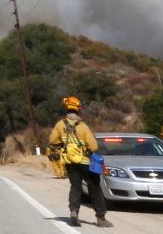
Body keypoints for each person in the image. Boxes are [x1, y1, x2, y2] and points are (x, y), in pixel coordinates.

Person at [47, 96, 111, 228]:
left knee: (75, 186)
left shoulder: (60, 125)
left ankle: (74, 211)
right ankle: (101, 218)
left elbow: (52, 141)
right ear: (78, 110)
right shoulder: (82, 126)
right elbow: (93, 147)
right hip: (86, 162)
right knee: (95, 188)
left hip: (70, 162)